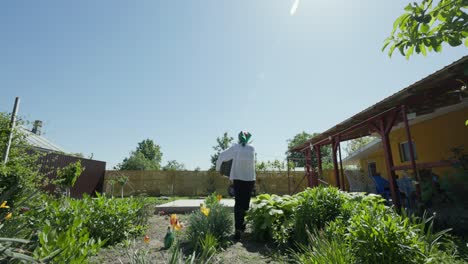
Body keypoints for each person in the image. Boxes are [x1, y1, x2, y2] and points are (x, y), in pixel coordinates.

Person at [216, 131, 256, 240]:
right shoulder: (252, 149)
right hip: (250, 180)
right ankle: (243, 227)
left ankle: (238, 229)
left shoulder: (235, 148)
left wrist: (218, 168)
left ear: (239, 138)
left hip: (238, 179)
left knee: (238, 203)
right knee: (245, 204)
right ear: (249, 139)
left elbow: (222, 156)